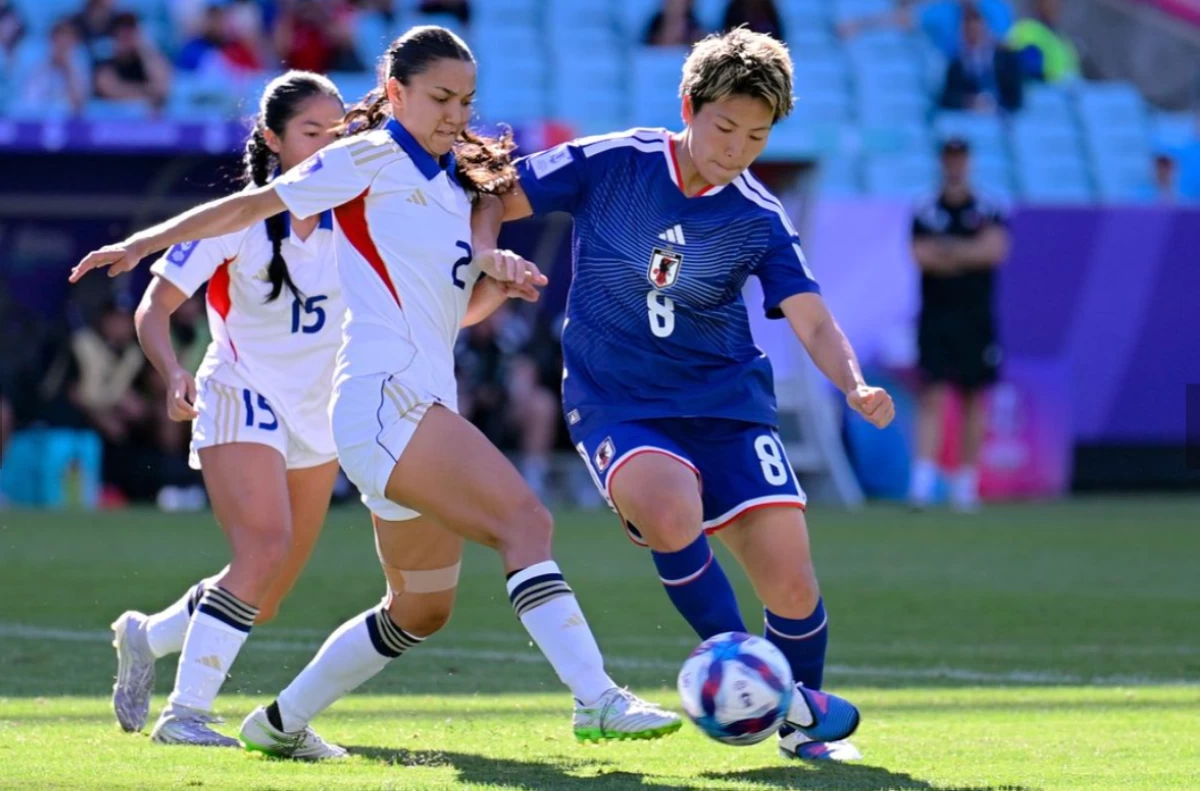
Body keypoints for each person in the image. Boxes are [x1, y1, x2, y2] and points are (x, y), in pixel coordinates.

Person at [72, 25, 680, 760]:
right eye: (440, 97)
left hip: (404, 408)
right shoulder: (370, 155)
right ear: (395, 92)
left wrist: (500, 281)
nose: (457, 113)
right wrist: (141, 244)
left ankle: (279, 720)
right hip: (386, 400)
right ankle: (598, 699)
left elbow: (452, 311)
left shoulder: (453, 181)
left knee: (421, 608)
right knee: (527, 521)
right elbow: (250, 206)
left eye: (467, 99)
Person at [477, 28, 894, 762]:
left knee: (791, 580)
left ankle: (798, 730)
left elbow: (813, 317)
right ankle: (783, 698)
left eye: (756, 136)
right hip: (617, 401)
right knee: (670, 508)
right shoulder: (615, 161)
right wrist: (484, 254)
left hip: (726, 406)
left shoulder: (758, 213)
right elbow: (492, 191)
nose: (736, 148)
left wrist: (854, 382)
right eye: (725, 127)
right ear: (689, 107)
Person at [99, 71, 347, 747]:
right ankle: (186, 716)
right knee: (262, 548)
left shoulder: (360, 214)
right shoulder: (239, 217)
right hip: (238, 393)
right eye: (312, 131)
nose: (330, 144)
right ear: (272, 139)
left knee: (263, 595)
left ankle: (145, 635)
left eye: (340, 130)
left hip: (318, 417)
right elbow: (156, 306)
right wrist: (173, 369)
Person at [908, 138, 1010, 512]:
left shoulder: (988, 206)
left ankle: (965, 483)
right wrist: (968, 252)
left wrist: (948, 251)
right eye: (949, 157)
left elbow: (995, 251)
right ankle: (922, 481)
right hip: (936, 315)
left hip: (975, 317)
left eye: (960, 157)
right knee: (932, 395)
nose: (955, 164)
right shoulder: (926, 208)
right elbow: (922, 257)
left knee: (973, 396)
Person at [939, 7, 1022, 113]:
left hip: (1003, 116)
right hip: (969, 118)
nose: (974, 34)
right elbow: (946, 98)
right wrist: (968, 102)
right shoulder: (957, 64)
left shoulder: (1006, 59)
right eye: (969, 30)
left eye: (977, 29)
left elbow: (1016, 97)